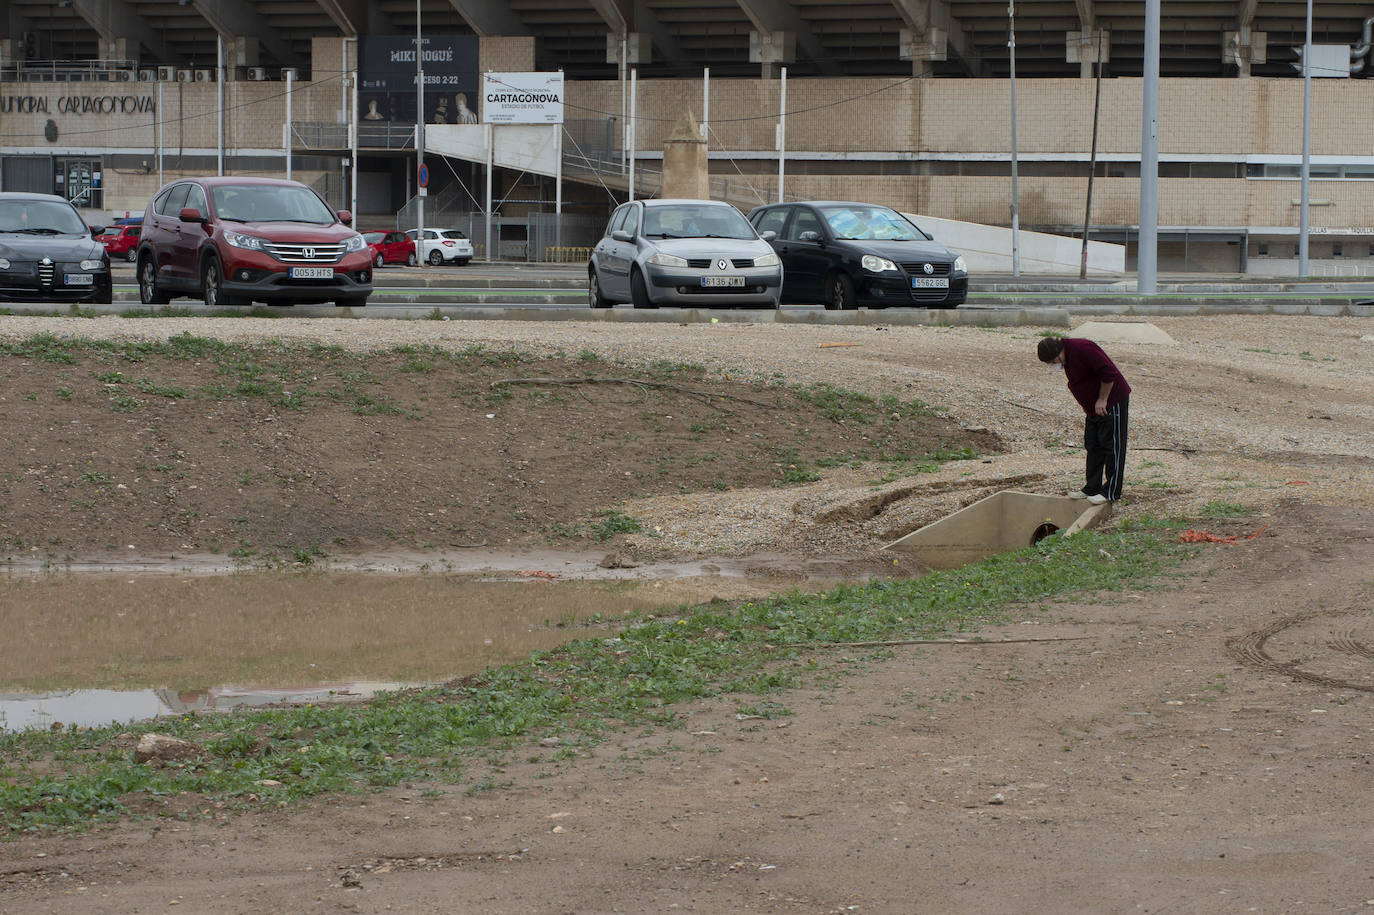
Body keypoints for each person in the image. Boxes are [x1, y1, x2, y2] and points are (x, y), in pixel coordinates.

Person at [1036, 336, 1131, 505]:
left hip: (1112, 400)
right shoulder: (1067, 358)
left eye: (1052, 361)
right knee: (1093, 445)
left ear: (1058, 352)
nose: (1053, 365)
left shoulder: (1082, 348)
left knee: (1112, 446)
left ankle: (1111, 491)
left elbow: (1109, 373)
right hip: (1093, 409)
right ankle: (1092, 488)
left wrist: (1103, 400)